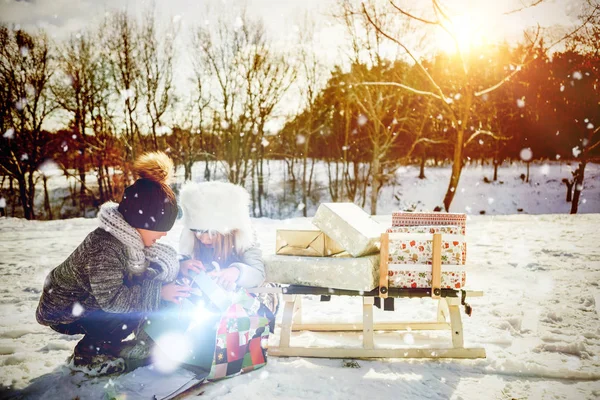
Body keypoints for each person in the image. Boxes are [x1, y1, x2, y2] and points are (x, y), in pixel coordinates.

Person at [36, 152, 191, 374]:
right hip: (65, 310)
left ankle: (108, 342)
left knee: (137, 298)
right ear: (141, 222)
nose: (164, 234)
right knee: (127, 311)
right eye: (160, 228)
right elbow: (112, 300)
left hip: (89, 300)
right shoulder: (105, 246)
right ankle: (88, 353)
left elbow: (149, 263)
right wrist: (160, 293)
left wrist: (178, 265)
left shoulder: (130, 238)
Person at [173, 181, 278, 380]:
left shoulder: (244, 238)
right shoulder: (191, 239)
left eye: (211, 233)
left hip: (248, 302)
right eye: (197, 231)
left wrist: (236, 272)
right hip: (209, 304)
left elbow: (258, 273)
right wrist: (184, 268)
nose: (203, 238)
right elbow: (182, 263)